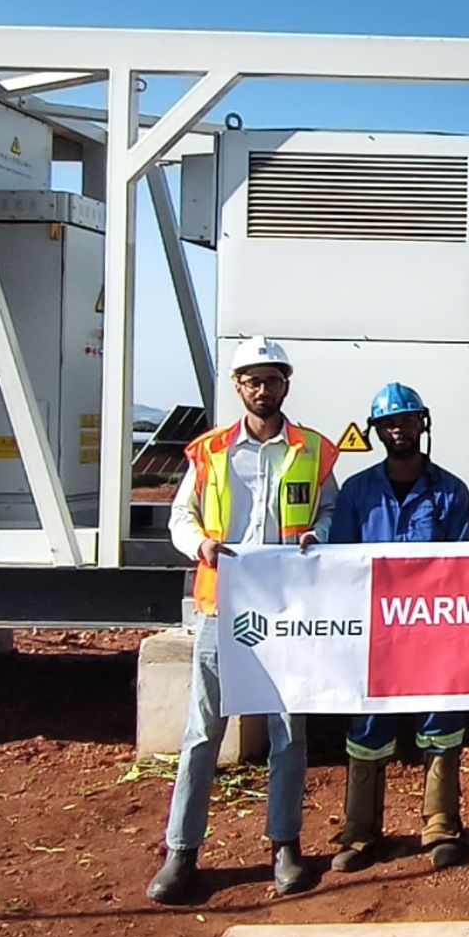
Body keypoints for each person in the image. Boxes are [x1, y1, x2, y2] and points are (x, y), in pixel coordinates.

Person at [149, 337, 340, 903]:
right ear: (238, 387)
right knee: (203, 732)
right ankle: (181, 853)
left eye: (272, 379)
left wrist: (318, 536)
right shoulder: (208, 453)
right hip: (220, 607)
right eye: (252, 380)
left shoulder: (312, 449)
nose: (262, 389)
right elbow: (180, 516)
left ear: (286, 383)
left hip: (286, 612)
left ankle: (284, 846)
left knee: (288, 732)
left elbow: (327, 510)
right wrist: (199, 544)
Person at [321, 383, 469, 874]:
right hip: (376, 635)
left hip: (434, 634)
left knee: (441, 725)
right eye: (389, 423)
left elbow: (462, 567)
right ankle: (361, 831)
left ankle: (441, 824)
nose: (399, 429)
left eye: (407, 420)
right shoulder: (357, 492)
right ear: (376, 431)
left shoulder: (451, 491)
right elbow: (340, 562)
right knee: (368, 728)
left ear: (422, 424)